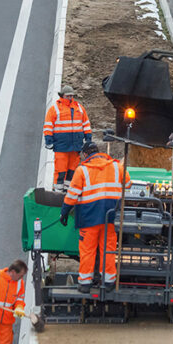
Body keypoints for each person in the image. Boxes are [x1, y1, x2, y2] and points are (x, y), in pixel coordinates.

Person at [60, 141, 130, 292]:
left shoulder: (82, 170)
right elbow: (128, 184)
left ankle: (85, 283)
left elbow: (72, 195)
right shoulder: (117, 167)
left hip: (89, 218)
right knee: (108, 249)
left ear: (85, 154)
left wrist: (64, 212)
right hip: (110, 217)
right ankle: (108, 282)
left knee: (88, 251)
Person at [43, 85, 92, 189]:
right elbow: (48, 125)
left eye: (71, 96)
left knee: (72, 170)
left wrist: (88, 137)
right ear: (62, 96)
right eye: (68, 96)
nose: (70, 98)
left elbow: (86, 124)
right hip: (61, 145)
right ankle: (58, 189)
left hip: (75, 146)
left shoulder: (79, 108)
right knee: (60, 169)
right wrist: (48, 140)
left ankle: (68, 189)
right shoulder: (55, 109)